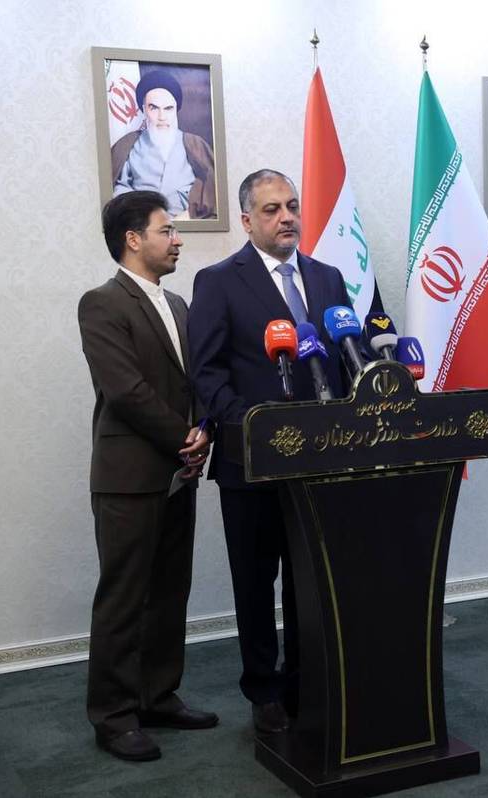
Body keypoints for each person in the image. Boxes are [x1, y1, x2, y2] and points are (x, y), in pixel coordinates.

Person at [188, 169, 355, 734]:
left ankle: (307, 680)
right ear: (246, 220)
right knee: (256, 583)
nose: (287, 217)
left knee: (312, 579)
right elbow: (206, 373)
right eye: (271, 209)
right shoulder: (218, 282)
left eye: (292, 206)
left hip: (323, 461)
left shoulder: (328, 278)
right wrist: (252, 427)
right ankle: (263, 690)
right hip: (252, 463)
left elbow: (346, 357)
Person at [78, 190, 216, 761]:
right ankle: (113, 717)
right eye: (167, 230)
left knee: (168, 592)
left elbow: (194, 380)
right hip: (129, 477)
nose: (177, 240)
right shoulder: (101, 303)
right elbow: (126, 391)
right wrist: (184, 436)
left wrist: (204, 428)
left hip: (179, 473)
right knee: (124, 598)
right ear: (133, 239)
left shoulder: (178, 304)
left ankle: (158, 697)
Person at [111, 70, 216, 220]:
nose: (162, 117)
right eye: (154, 108)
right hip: (141, 225)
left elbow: (213, 188)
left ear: (176, 110)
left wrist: (189, 215)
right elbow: (119, 190)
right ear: (144, 110)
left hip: (188, 223)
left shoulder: (195, 144)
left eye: (168, 108)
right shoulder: (127, 145)